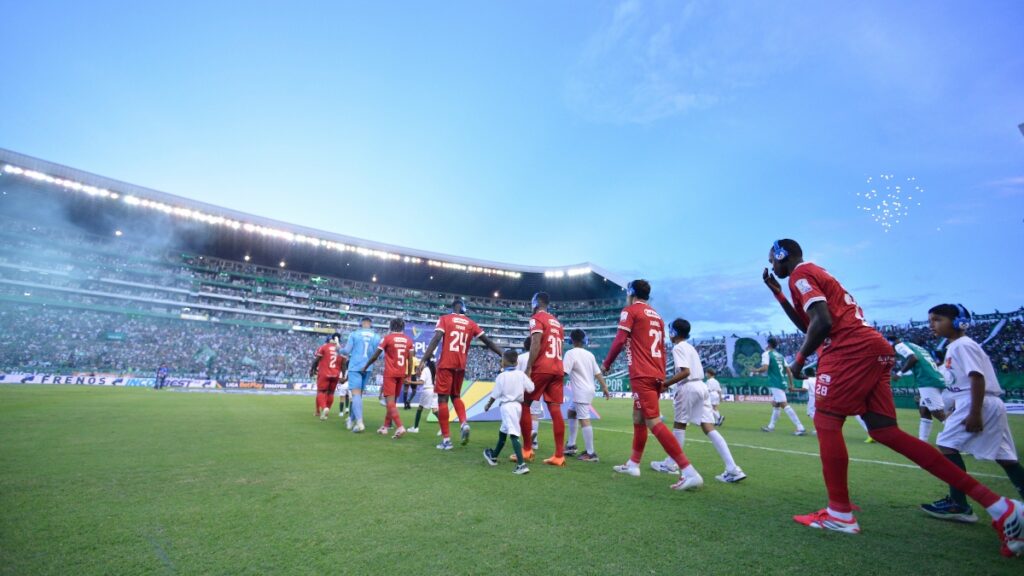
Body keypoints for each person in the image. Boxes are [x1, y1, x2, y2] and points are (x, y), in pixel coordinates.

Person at [762, 238, 1022, 557]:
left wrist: (800, 359)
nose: (772, 266)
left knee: (826, 419)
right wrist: (777, 293)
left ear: (780, 256)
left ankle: (840, 513)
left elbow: (823, 323)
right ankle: (1001, 506)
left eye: (772, 260)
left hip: (849, 349)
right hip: (874, 347)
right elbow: (809, 322)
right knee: (885, 431)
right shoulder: (812, 274)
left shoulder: (802, 274)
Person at [920, 304, 1024, 524]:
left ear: (959, 322)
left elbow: (976, 378)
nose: (932, 325)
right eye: (930, 321)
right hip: (982, 402)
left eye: (938, 320)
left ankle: (958, 504)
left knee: (947, 444)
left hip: (978, 401)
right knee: (1006, 458)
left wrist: (975, 412)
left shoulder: (962, 346)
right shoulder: (955, 346)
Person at [602, 279, 703, 491]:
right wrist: (660, 376)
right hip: (655, 372)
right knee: (638, 418)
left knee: (653, 423)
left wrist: (606, 364)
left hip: (642, 374)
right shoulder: (657, 316)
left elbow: (620, 340)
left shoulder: (630, 311)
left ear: (631, 293)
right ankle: (633, 464)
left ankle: (688, 471)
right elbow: (662, 348)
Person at [652, 319, 746, 483]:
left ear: (674, 332)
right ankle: (733, 469)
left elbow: (685, 372)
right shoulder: (690, 347)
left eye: (670, 330)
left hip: (688, 387)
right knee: (708, 427)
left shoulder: (678, 347)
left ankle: (671, 464)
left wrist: (665, 384)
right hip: (701, 387)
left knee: (679, 425)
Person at [415, 297, 503, 450]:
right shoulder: (471, 323)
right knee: (456, 396)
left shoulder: (445, 319)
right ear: (463, 308)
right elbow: (487, 342)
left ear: (453, 307)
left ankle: (447, 440)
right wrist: (503, 354)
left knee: (442, 400)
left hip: (446, 364)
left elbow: (436, 338)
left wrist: (423, 359)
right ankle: (464, 422)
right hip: (460, 366)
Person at [522, 292, 567, 466]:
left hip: (543, 367)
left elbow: (535, 343)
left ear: (535, 303)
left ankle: (526, 450)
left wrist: (528, 367)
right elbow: (560, 345)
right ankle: (559, 455)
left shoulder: (536, 318)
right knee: (555, 410)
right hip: (558, 367)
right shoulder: (557, 322)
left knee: (524, 404)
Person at [482, 349, 535, 475]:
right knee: (503, 431)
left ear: (504, 361)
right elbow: (531, 388)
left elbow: (495, 394)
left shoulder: (502, 376)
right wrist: (527, 376)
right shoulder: (521, 374)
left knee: (513, 434)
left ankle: (521, 465)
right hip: (518, 406)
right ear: (517, 362)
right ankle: (493, 456)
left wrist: (488, 405)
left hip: (507, 406)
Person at [562, 329, 609, 462]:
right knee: (572, 412)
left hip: (580, 391)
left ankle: (591, 453)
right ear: (584, 340)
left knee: (584, 419)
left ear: (572, 340)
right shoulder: (589, 354)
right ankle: (571, 445)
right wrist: (604, 387)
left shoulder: (570, 353)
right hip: (589, 389)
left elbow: (564, 372)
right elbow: (597, 372)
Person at [361, 318, 414, 439]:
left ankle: (400, 427)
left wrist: (366, 366)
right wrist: (409, 375)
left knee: (389, 402)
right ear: (403, 327)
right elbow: (410, 360)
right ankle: (385, 427)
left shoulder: (387, 338)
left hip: (390, 373)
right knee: (392, 403)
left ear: (391, 326)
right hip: (401, 373)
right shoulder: (408, 340)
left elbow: (376, 355)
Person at [891, 335, 947, 442]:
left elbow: (913, 358)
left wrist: (899, 373)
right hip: (932, 377)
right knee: (924, 411)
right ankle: (922, 441)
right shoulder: (913, 345)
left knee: (938, 413)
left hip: (927, 380)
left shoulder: (899, 346)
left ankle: (962, 437)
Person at [754, 337, 806, 435]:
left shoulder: (766, 354)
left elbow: (765, 368)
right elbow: (789, 371)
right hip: (782, 381)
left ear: (768, 344)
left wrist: (756, 370)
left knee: (783, 404)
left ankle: (800, 427)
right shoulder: (780, 355)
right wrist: (791, 384)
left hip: (775, 382)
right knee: (776, 404)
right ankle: (771, 426)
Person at [341, 317, 381, 433]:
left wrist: (339, 349)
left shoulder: (354, 334)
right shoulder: (376, 337)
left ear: (361, 323)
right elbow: (381, 355)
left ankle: (359, 422)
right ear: (371, 324)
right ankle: (351, 419)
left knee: (356, 395)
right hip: (368, 368)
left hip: (355, 367)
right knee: (358, 395)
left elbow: (346, 351)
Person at [310, 333, 346, 420]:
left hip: (324, 373)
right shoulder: (342, 350)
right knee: (330, 393)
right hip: (335, 374)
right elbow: (344, 365)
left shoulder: (324, 347)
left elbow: (316, 360)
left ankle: (322, 408)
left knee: (321, 392)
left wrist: (312, 369)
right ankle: (326, 412)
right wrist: (343, 376)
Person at [516, 336, 543, 451]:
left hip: (522, 390)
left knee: (521, 415)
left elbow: (516, 374)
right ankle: (534, 442)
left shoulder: (520, 358)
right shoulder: (539, 358)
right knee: (535, 414)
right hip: (536, 388)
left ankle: (525, 438)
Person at [408, 357, 436, 433]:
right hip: (434, 390)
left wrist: (410, 382)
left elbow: (421, 382)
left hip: (427, 390)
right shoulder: (434, 369)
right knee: (434, 410)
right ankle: (444, 427)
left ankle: (416, 428)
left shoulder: (426, 370)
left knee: (420, 408)